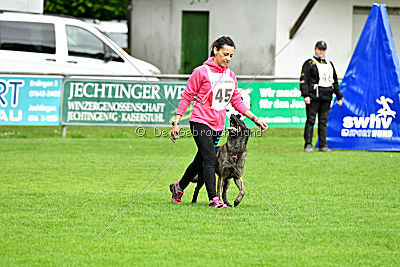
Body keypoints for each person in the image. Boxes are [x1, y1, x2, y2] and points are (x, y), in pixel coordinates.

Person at [169, 36, 268, 209]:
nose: (228, 58)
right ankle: (214, 199)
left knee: (199, 160)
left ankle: (178, 188)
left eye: (231, 55)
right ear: (215, 50)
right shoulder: (201, 71)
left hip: (218, 125)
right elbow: (187, 97)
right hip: (200, 121)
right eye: (225, 54)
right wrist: (176, 121)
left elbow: (236, 101)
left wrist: (255, 118)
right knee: (210, 159)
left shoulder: (230, 75)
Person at [300, 41, 343, 152]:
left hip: (327, 96)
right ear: (315, 49)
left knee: (323, 122)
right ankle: (308, 144)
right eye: (319, 49)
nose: (321, 51)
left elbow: (334, 81)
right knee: (311, 120)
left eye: (323, 49)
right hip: (314, 96)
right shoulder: (309, 63)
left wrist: (339, 96)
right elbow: (304, 81)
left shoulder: (329, 64)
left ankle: (323, 145)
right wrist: (306, 95)